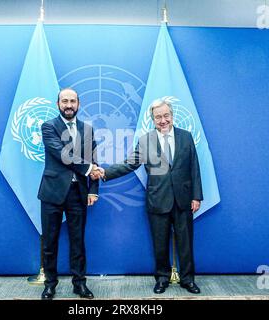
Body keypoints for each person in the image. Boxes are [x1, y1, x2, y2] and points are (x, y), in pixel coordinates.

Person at [91, 99, 203, 294]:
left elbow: (194, 168)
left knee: (186, 243)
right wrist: (105, 172)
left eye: (166, 115)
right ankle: (162, 279)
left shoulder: (186, 137)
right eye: (158, 117)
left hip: (183, 200)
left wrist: (196, 196)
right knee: (159, 243)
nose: (163, 120)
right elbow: (130, 164)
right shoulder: (145, 140)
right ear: (152, 119)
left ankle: (188, 279)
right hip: (157, 200)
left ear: (172, 115)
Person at [37, 88, 100, 300]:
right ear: (58, 104)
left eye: (72, 101)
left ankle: (79, 283)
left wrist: (93, 190)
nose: (69, 105)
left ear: (79, 104)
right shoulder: (48, 127)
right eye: (65, 101)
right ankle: (50, 284)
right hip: (52, 192)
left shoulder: (88, 130)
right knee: (50, 242)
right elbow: (63, 154)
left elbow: (94, 160)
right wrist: (90, 169)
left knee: (77, 241)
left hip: (78, 193)